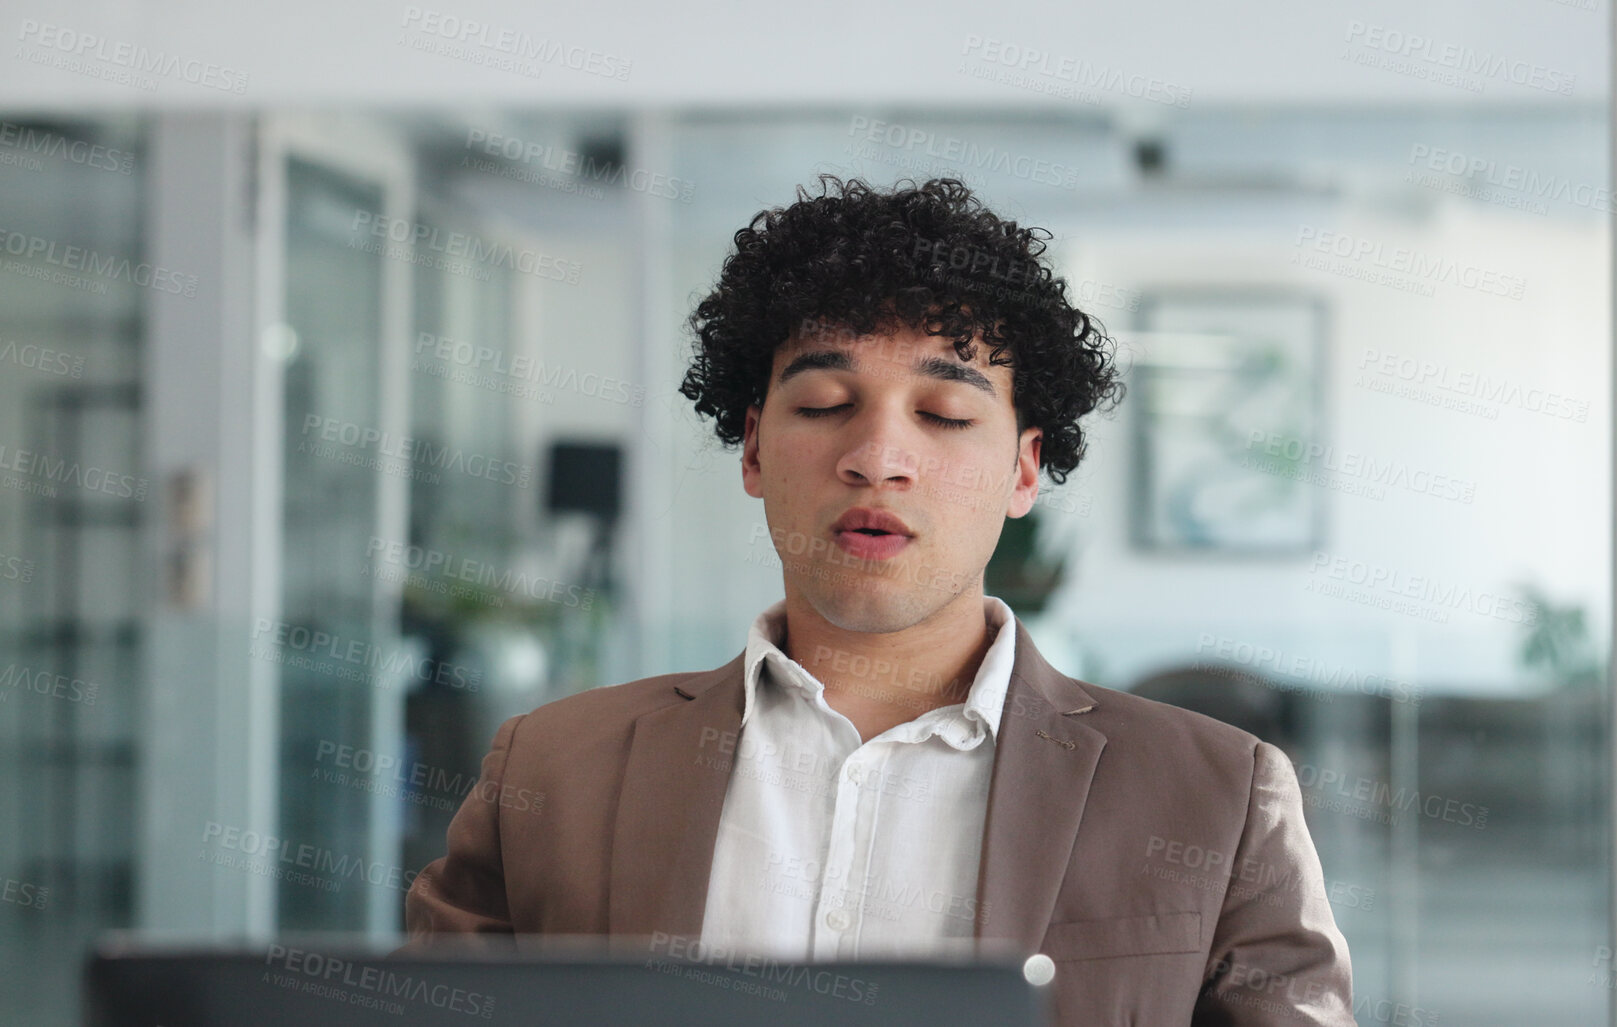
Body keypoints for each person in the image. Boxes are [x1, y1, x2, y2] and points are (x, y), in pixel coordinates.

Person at [404, 174, 1355, 1025]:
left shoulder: (1218, 795)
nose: (877, 457)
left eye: (943, 415)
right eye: (822, 405)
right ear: (753, 449)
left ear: (1024, 470)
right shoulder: (554, 771)